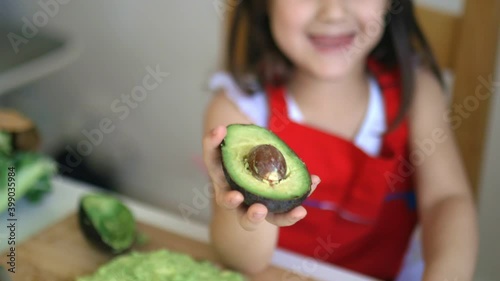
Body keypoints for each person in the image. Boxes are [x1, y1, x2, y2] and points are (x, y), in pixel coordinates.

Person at [202, 1, 478, 280]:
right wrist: (243, 210)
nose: (333, 12)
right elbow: (243, 264)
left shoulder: (417, 93)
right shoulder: (238, 110)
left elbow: (446, 200)